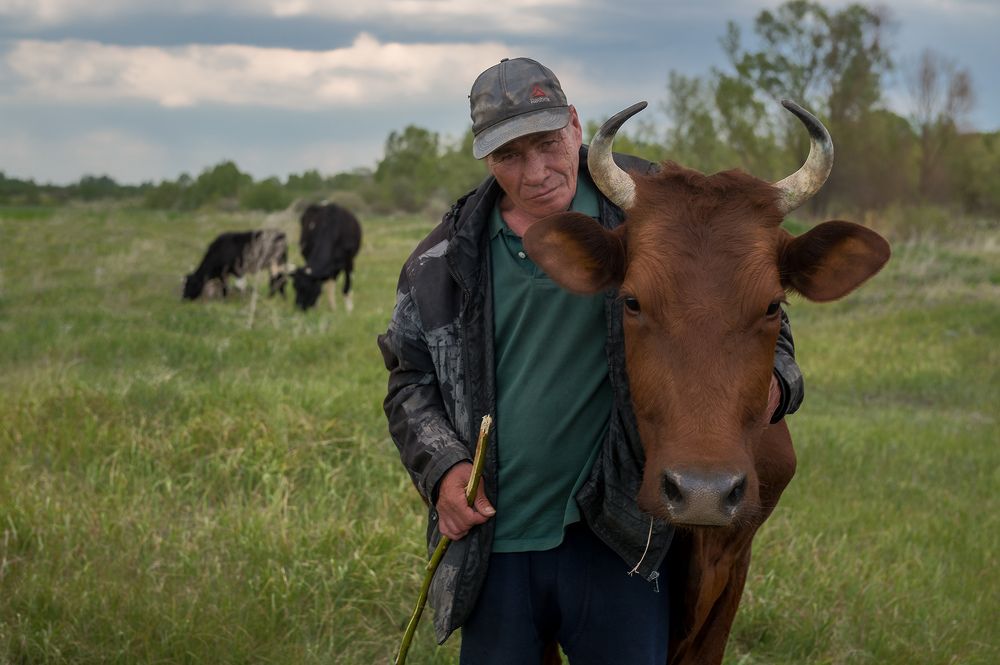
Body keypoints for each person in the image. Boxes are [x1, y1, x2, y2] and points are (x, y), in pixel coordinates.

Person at [377, 57, 803, 664]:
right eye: (509, 157)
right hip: (497, 537)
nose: (535, 173)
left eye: (548, 145)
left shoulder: (659, 213)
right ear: (484, 158)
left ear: (575, 126)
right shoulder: (440, 262)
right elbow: (408, 379)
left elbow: (761, 320)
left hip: (615, 532)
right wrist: (443, 469)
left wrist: (777, 389)